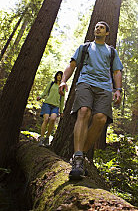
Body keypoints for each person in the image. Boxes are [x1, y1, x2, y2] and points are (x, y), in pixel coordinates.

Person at [59, 21, 123, 180]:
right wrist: (63, 80)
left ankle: (79, 156)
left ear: (107, 33)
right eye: (96, 27)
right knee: (84, 111)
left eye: (101, 27)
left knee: (100, 119)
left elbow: (116, 71)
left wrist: (118, 90)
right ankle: (79, 158)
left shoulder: (111, 51)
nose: (98, 29)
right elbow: (72, 65)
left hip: (105, 87)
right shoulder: (85, 47)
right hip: (85, 82)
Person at [37, 71, 65, 147]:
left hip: (56, 106)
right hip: (47, 104)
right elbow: (45, 92)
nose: (59, 77)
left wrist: (61, 111)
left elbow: (62, 100)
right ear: (56, 76)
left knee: (52, 119)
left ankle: (47, 138)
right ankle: (41, 139)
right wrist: (40, 96)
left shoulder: (62, 88)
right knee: (46, 119)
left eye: (60, 76)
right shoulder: (52, 83)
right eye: (58, 75)